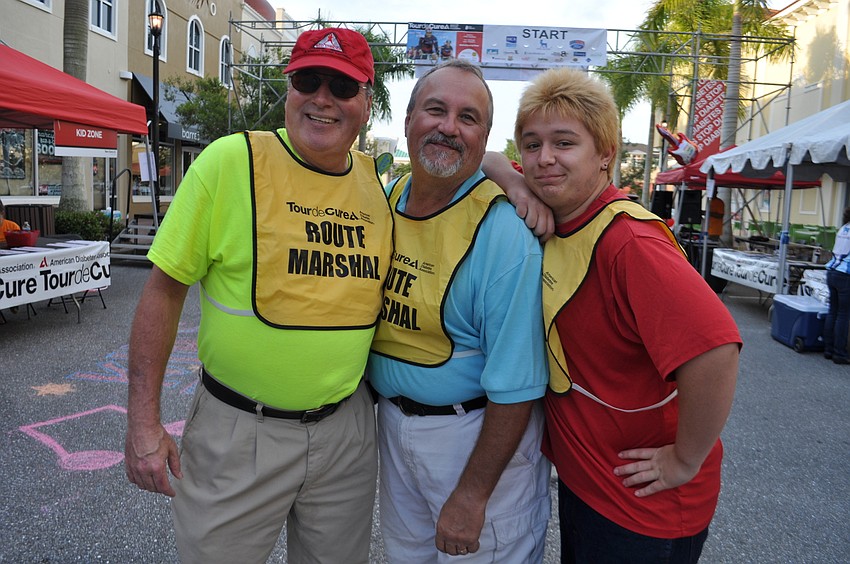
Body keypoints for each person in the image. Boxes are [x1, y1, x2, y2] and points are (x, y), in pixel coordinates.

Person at [124, 28, 393, 564]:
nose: (322, 97)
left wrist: (512, 176)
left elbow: (456, 175)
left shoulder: (377, 183)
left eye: (341, 85)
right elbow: (162, 291)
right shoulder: (231, 162)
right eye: (307, 79)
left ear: (366, 102)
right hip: (238, 433)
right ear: (287, 89)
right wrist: (143, 423)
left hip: (346, 435)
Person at [501, 67, 741, 563]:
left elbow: (714, 351)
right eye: (530, 144)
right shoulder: (566, 219)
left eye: (564, 143)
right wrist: (511, 179)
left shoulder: (629, 241)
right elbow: (484, 157)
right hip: (592, 487)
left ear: (605, 154)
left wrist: (683, 459)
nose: (544, 159)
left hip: (642, 511)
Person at [368, 59, 551, 562]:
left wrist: (472, 496)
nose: (449, 127)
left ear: (484, 136)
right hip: (393, 427)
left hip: (471, 440)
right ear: (407, 121)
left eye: (468, 118)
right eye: (435, 110)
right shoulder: (387, 197)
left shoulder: (506, 234)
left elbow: (517, 385)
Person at [823, 206, 850, 365]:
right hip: (846, 274)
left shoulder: (843, 229)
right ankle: (839, 353)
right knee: (843, 314)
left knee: (833, 311)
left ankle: (828, 349)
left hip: (832, 271)